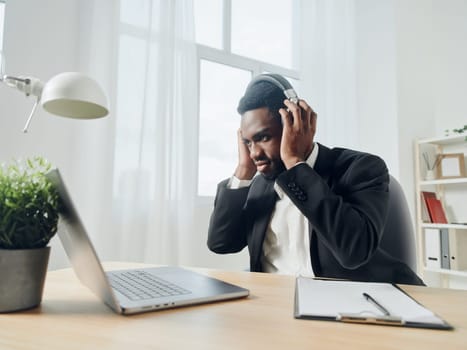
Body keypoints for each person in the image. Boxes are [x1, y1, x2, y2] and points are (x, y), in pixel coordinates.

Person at [207, 74, 423, 285]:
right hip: (277, 305)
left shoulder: (361, 168)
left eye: (263, 138)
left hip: (356, 301)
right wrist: (243, 171)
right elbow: (221, 243)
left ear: (295, 124)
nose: (254, 153)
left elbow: (353, 252)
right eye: (248, 142)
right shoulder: (259, 185)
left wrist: (294, 163)